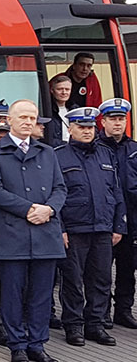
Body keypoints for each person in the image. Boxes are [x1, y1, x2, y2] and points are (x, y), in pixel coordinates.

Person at [0, 99, 66, 362]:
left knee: (41, 294)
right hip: (13, 234)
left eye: (32, 118)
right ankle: (17, 345)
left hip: (45, 233)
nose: (28, 122)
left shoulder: (47, 152)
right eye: (23, 117)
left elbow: (60, 188)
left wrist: (49, 209)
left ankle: (37, 344)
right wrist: (29, 209)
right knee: (13, 294)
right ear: (10, 121)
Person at [55, 106, 125, 348]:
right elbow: (55, 195)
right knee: (73, 280)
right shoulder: (58, 155)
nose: (87, 131)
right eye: (81, 127)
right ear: (70, 128)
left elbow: (116, 192)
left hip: (103, 228)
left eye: (90, 127)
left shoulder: (105, 154)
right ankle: (73, 325)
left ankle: (95, 324)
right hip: (74, 229)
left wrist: (118, 225)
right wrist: (60, 228)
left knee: (102, 279)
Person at [97, 98, 137, 329]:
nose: (118, 123)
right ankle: (101, 314)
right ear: (103, 121)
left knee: (127, 268)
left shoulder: (133, 149)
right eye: (113, 119)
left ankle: (123, 310)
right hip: (104, 218)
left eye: (121, 119)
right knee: (100, 271)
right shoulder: (96, 147)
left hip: (131, 219)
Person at [47, 75, 72, 145]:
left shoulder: (74, 110)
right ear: (52, 90)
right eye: (60, 89)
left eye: (67, 89)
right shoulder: (46, 111)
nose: (64, 92)